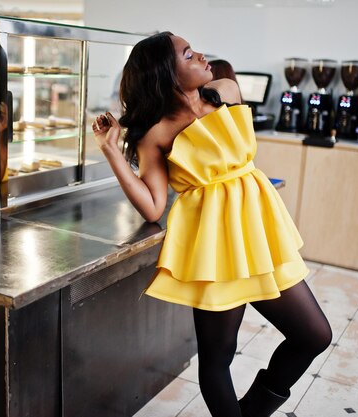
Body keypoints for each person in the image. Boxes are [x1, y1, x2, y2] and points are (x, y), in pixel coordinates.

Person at [92, 32, 332, 417]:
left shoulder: (225, 91)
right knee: (218, 357)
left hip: (259, 233)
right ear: (166, 74)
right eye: (188, 54)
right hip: (215, 245)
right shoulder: (156, 133)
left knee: (315, 335)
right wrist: (110, 151)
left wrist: (212, 87)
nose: (201, 55)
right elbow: (153, 207)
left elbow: (230, 120)